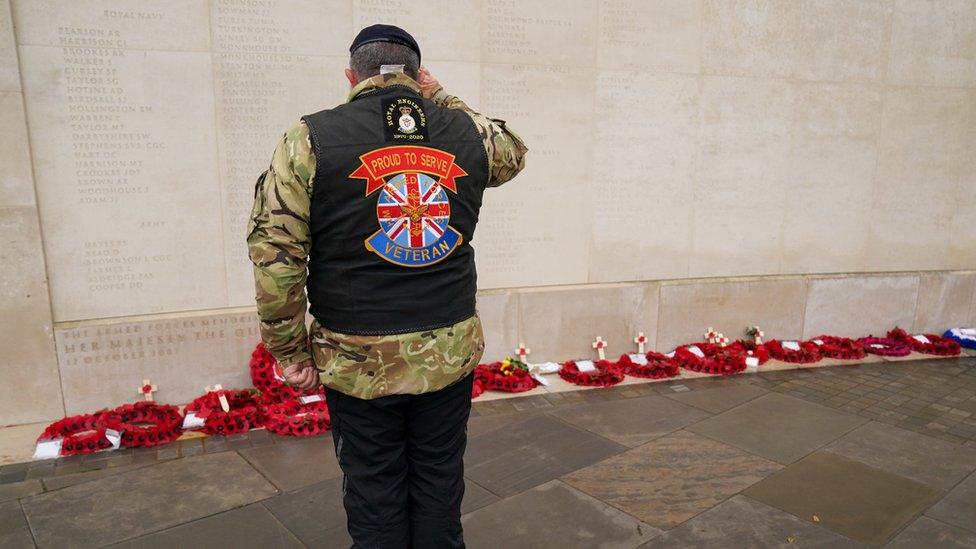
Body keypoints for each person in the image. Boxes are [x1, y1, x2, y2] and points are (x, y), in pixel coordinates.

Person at [246, 24, 527, 548]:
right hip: (446, 351)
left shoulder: (308, 139)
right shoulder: (464, 133)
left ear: (351, 76)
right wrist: (441, 96)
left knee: (374, 492)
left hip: (357, 359)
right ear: (418, 76)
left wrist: (288, 350)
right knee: (440, 485)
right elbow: (510, 151)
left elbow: (276, 254)